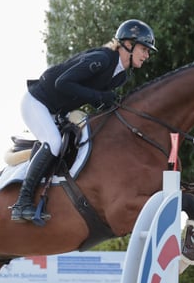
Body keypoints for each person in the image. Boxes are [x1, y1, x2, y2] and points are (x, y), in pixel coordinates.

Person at [10, 18, 157, 223]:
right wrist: (98, 98)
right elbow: (63, 83)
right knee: (53, 142)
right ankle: (22, 202)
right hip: (37, 101)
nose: (147, 55)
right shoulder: (102, 59)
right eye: (144, 49)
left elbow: (97, 100)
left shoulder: (121, 76)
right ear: (128, 45)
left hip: (56, 110)